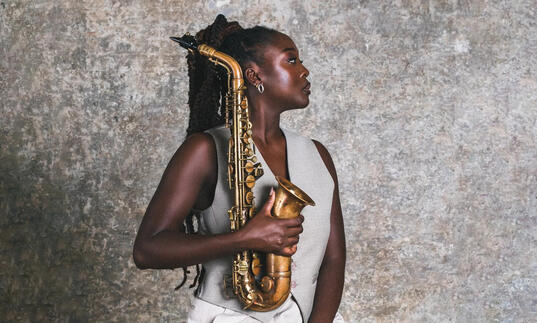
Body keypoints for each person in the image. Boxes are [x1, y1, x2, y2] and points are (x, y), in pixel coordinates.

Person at [133, 15, 346, 323]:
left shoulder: (318, 155)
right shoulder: (203, 149)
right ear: (254, 75)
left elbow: (334, 258)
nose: (305, 70)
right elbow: (147, 249)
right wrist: (243, 239)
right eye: (291, 60)